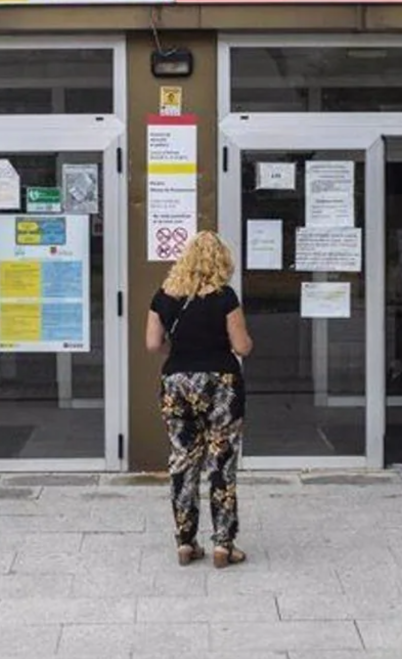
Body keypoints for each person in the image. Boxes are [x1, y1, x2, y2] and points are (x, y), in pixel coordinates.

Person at [146, 231, 254, 568]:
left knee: (182, 460)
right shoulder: (225, 297)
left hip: (177, 383)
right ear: (221, 260)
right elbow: (242, 347)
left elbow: (153, 344)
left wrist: (179, 353)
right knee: (221, 462)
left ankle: (185, 543)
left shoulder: (163, 297)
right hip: (220, 384)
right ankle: (223, 545)